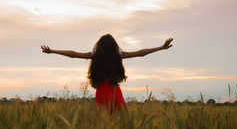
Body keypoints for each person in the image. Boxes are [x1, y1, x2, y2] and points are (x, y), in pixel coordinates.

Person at [41, 34, 173, 113]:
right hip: (115, 91)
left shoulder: (95, 55)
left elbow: (74, 54)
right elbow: (140, 53)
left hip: (102, 91)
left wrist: (53, 51)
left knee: (103, 121)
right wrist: (161, 48)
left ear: (100, 46)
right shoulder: (118, 55)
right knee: (122, 120)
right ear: (114, 45)